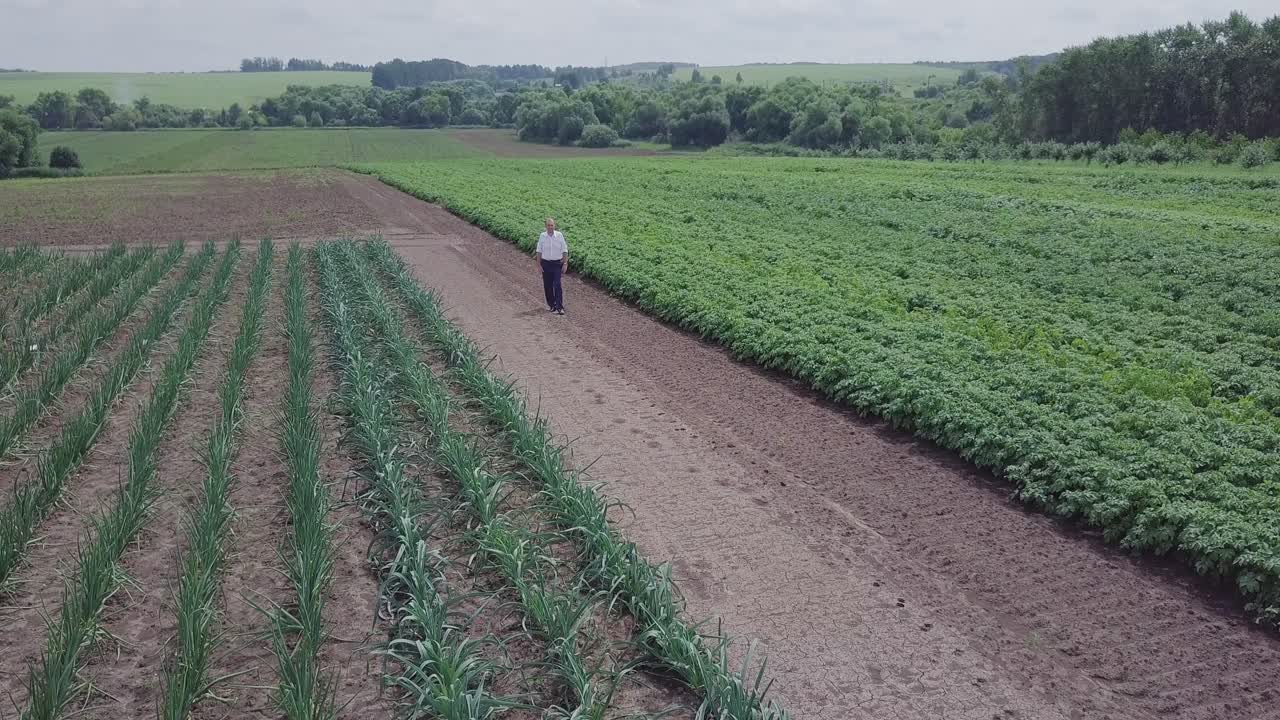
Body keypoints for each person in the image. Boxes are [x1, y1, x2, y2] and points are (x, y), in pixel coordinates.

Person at [536, 217, 569, 315]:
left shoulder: (559, 236)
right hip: (545, 263)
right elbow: (539, 251)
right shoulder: (542, 236)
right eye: (548, 225)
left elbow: (565, 250)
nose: (550, 227)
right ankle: (552, 305)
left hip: (556, 264)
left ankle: (559, 307)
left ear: (554, 226)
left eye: (552, 225)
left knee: (557, 285)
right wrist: (538, 264)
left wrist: (565, 263)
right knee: (548, 285)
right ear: (545, 226)